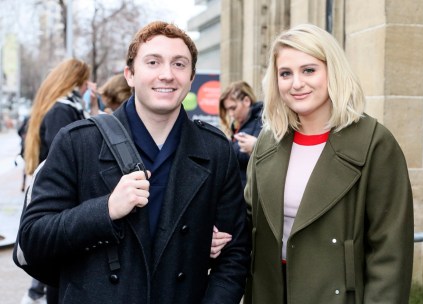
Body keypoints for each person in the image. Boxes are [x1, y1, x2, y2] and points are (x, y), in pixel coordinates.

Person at [17, 21, 249, 304]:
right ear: (130, 74)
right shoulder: (78, 142)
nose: (167, 74)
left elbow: (236, 254)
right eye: (153, 62)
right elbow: (33, 239)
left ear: (191, 78)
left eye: (179, 64)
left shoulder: (215, 150)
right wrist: (106, 210)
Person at [240, 23, 414, 304]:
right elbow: (248, 222)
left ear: (332, 71)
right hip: (271, 292)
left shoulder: (375, 143)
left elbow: (390, 251)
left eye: (309, 70)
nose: (296, 83)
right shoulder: (267, 141)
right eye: (285, 73)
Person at [21, 57, 98, 304]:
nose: (88, 86)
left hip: (62, 196)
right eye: (85, 81)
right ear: (76, 81)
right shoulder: (63, 110)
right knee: (59, 267)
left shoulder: (62, 107)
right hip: (61, 197)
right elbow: (67, 156)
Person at [219, 81, 263, 186]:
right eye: (227, 110)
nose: (231, 114)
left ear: (247, 101)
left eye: (233, 108)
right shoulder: (241, 124)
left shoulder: (262, 120)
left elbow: (244, 157)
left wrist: (223, 144)